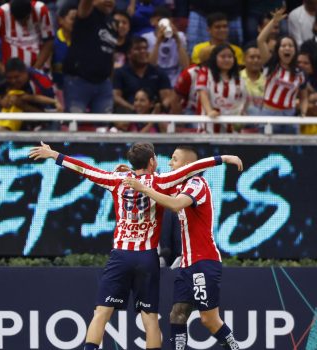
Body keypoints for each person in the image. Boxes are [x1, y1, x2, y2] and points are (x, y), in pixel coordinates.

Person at [28, 142, 243, 350]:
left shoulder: (118, 180)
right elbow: (193, 168)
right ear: (152, 161)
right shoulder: (162, 181)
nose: (167, 163)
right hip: (148, 258)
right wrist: (222, 159)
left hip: (124, 256)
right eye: (161, 159)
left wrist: (55, 155)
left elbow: (86, 169)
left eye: (174, 159)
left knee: (101, 313)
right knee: (154, 319)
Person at [122, 145, 242, 350]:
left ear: (187, 166)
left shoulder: (197, 183)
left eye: (174, 159)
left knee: (209, 319)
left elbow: (176, 204)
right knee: (177, 314)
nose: (169, 163)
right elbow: (153, 183)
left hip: (204, 261)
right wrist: (133, 173)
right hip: (187, 263)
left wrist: (143, 188)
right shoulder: (177, 184)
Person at [63, 0, 117, 114]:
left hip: (103, 84)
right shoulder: (87, 13)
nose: (109, 1)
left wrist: (110, 81)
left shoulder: (112, 23)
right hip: (79, 82)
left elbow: (110, 54)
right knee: (74, 124)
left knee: (103, 127)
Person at [0, 0, 54, 74]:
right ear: (11, 14)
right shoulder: (1, 13)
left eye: (26, 18)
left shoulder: (41, 10)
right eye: (19, 20)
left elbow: (49, 41)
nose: (23, 23)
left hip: (38, 69)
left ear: (31, 10)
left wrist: (35, 69)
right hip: (12, 74)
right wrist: (0, 68)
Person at [0, 58, 61, 131]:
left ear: (25, 72)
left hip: (44, 118)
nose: (13, 81)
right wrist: (0, 101)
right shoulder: (5, 79)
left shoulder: (42, 82)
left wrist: (24, 106)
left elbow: (48, 116)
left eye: (16, 77)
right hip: (8, 120)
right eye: (10, 78)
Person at [260, 35, 308, 134]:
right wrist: (274, 21)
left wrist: (303, 112)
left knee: (292, 148)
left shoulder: (301, 73)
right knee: (270, 149)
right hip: (269, 114)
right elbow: (260, 40)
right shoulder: (270, 65)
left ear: (295, 51)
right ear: (278, 50)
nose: (287, 48)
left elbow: (304, 97)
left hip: (290, 115)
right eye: (283, 45)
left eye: (290, 45)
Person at [112, 37, 173, 114]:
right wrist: (133, 109)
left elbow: (167, 97)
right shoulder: (120, 73)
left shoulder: (159, 73)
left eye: (145, 48)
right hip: (128, 116)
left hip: (154, 117)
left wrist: (159, 108)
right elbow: (116, 97)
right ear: (129, 54)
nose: (143, 51)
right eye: (138, 49)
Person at [196, 44, 247, 132]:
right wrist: (209, 111)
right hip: (209, 126)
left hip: (232, 128)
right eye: (223, 57)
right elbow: (202, 93)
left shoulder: (239, 77)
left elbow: (243, 99)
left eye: (230, 56)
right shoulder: (205, 72)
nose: (227, 60)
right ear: (214, 58)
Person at [142, 6, 189, 86]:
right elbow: (150, 66)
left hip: (175, 80)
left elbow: (186, 66)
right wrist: (158, 43)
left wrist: (177, 41)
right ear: (152, 21)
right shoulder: (146, 38)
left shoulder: (180, 36)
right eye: (159, 20)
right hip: (155, 79)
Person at [241, 43, 266, 116]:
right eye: (252, 57)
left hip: (263, 120)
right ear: (244, 59)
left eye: (259, 57)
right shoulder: (237, 78)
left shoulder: (268, 80)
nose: (256, 60)